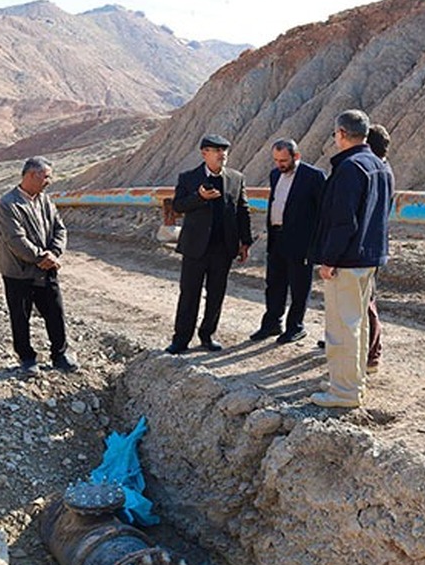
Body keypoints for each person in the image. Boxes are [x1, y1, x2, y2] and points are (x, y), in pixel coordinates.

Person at [311, 110, 392, 408]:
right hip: (369, 257)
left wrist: (329, 259)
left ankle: (343, 393)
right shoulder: (380, 166)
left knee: (342, 328)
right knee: (357, 325)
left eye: (335, 135)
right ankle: (350, 381)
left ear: (341, 134)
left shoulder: (349, 168)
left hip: (346, 259)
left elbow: (343, 221)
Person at [165, 134, 253, 354]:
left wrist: (245, 242)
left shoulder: (236, 178)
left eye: (225, 150)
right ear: (204, 153)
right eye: (217, 150)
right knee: (189, 294)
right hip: (195, 248)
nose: (222, 154)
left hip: (223, 248)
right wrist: (200, 197)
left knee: (216, 295)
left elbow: (243, 211)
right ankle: (181, 339)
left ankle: (207, 335)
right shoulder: (188, 178)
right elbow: (178, 206)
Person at [0, 156, 79, 374]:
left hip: (46, 268)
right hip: (19, 272)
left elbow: (60, 229)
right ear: (32, 175)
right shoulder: (8, 204)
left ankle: (60, 355)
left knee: (55, 311)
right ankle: (27, 358)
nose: (49, 180)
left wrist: (54, 253)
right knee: (20, 316)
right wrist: (42, 257)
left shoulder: (45, 200)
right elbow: (15, 240)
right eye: (47, 176)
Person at [249, 138, 326, 344]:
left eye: (283, 160)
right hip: (277, 238)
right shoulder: (275, 175)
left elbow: (323, 213)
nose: (279, 164)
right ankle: (272, 324)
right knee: (274, 284)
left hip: (301, 242)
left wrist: (316, 246)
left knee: (299, 287)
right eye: (276, 160)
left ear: (296, 156)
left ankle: (296, 327)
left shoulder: (314, 177)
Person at [365, 123, 395, 374]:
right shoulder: (385, 170)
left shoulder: (376, 171)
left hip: (368, 246)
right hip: (374, 244)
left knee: (367, 302)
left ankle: (371, 353)